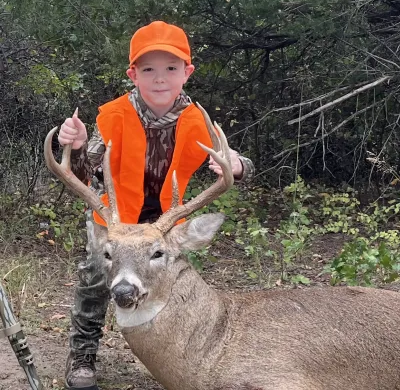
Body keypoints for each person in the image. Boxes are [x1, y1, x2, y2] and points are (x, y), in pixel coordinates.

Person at [57, 21, 254, 390]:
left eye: (170, 68)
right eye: (148, 69)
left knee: (176, 279)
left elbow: (233, 162)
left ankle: (179, 349)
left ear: (187, 72)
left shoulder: (197, 121)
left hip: (164, 221)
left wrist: (238, 165)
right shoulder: (113, 116)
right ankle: (83, 355)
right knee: (97, 277)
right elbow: (85, 172)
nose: (159, 78)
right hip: (114, 219)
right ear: (133, 74)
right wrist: (80, 145)